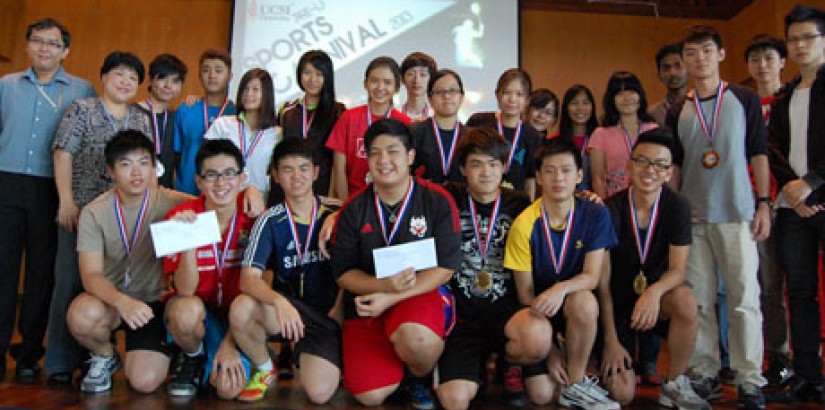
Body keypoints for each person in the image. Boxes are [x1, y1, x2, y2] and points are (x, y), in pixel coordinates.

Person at [666, 24, 771, 410]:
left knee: (745, 298)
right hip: (693, 219)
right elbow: (674, 166)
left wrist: (763, 202)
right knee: (700, 301)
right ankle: (705, 371)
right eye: (691, 54)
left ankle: (749, 379)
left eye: (707, 51)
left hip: (738, 213)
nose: (699, 59)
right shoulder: (680, 109)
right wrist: (674, 213)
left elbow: (758, 152)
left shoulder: (743, 98)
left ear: (721, 55)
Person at [329, 118, 461, 409]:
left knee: (417, 341)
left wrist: (392, 296)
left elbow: (446, 266)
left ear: (410, 156)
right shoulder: (354, 208)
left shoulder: (437, 200)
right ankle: (398, 367)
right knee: (370, 395)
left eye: (393, 151)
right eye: (375, 152)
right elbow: (343, 272)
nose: (383, 160)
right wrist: (381, 287)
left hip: (419, 295)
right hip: (368, 302)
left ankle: (420, 376)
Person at [48, 50, 152, 386]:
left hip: (126, 219)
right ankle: (62, 362)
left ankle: (101, 353)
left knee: (112, 285)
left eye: (133, 78)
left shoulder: (141, 117)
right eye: (118, 74)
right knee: (70, 283)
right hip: (81, 214)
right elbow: (63, 152)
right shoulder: (83, 109)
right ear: (104, 77)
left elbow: (150, 167)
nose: (125, 82)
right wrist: (66, 200)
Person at [0, 17, 94, 382]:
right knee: (3, 272)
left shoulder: (81, 90)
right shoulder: (6, 86)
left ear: (65, 50)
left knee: (41, 273)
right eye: (38, 41)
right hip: (6, 182)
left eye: (53, 43)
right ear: (27, 46)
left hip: (52, 188)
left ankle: (28, 354)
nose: (44, 48)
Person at [66, 131, 192, 393]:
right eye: (126, 164)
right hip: (112, 301)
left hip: (153, 302)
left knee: (144, 383)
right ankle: (105, 356)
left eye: (144, 163)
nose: (137, 172)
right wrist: (122, 302)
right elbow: (91, 276)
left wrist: (250, 191)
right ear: (111, 171)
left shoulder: (172, 202)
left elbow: (220, 202)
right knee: (80, 315)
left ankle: (166, 347)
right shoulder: (94, 212)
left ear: (153, 168)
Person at [504, 138, 619, 410]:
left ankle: (576, 384)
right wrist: (550, 354)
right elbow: (525, 294)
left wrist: (561, 289)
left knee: (584, 300)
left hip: (573, 306)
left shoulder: (595, 214)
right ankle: (555, 354)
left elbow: (592, 276)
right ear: (539, 177)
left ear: (580, 175)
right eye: (550, 170)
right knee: (542, 395)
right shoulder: (524, 224)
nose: (559, 178)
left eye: (567, 170)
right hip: (537, 311)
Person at [436, 128, 547, 410]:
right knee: (454, 400)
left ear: (505, 167)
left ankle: (508, 363)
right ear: (462, 168)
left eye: (493, 164)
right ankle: (477, 371)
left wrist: (589, 200)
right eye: (476, 164)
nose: (485, 172)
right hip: (463, 320)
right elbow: (403, 194)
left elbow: (564, 209)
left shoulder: (521, 203)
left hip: (507, 314)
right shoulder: (448, 197)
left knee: (544, 392)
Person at [598, 128, 709, 410]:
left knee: (685, 300)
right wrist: (611, 339)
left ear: (669, 172)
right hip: (618, 303)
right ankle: (607, 358)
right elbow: (602, 281)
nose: (650, 171)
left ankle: (674, 383)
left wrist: (653, 293)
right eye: (643, 161)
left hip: (656, 301)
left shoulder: (678, 207)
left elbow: (678, 270)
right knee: (622, 395)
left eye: (660, 165)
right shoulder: (610, 209)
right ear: (629, 164)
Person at [230, 138, 341, 403]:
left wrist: (339, 213)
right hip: (285, 312)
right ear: (276, 176)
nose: (297, 176)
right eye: (287, 169)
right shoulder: (269, 220)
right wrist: (279, 302)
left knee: (319, 394)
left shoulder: (337, 212)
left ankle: (311, 355)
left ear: (315, 172)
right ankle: (266, 367)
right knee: (242, 307)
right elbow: (248, 279)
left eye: (303, 168)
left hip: (327, 317)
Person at [162, 140, 256, 398]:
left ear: (241, 178)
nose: (221, 183)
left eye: (228, 174)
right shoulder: (180, 216)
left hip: (239, 317)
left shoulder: (255, 218)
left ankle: (245, 350)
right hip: (196, 311)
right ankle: (191, 355)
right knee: (185, 310)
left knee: (228, 390)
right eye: (211, 175)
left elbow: (262, 287)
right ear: (199, 182)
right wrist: (188, 240)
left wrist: (230, 343)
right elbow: (184, 289)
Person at [766, 4, 825, 404]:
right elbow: (772, 148)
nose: (801, 45)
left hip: (819, 197)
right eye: (794, 39)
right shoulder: (785, 95)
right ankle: (808, 373)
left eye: (809, 37)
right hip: (794, 209)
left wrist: (813, 183)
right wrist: (792, 187)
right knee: (799, 292)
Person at [744, 33, 792, 388]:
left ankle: (801, 359)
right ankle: (776, 355)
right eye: (756, 60)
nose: (762, 66)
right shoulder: (744, 103)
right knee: (767, 286)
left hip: (797, 202)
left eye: (769, 58)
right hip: (756, 206)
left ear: (782, 62)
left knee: (801, 285)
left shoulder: (792, 99)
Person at [327, 56, 412, 200]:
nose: (380, 87)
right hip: (352, 199)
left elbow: (406, 171)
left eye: (387, 82)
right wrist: (346, 205)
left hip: (390, 202)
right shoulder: (348, 118)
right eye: (374, 81)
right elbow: (339, 170)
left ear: (397, 88)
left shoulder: (405, 123)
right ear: (365, 83)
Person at [276, 50, 345, 202]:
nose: (312, 79)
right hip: (291, 186)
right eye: (307, 73)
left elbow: (337, 161)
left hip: (323, 188)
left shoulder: (339, 112)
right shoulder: (286, 111)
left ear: (327, 77)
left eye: (319, 74)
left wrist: (333, 195)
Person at [205, 68, 280, 201]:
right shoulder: (222, 125)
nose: (249, 94)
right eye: (245, 89)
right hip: (224, 196)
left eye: (255, 89)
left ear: (266, 94)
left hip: (260, 200)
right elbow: (207, 164)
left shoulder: (277, 134)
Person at [467, 69, 541, 198]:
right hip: (480, 199)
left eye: (519, 94)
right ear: (497, 94)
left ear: (528, 99)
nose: (512, 99)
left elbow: (530, 179)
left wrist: (528, 206)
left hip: (514, 202)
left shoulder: (532, 135)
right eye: (506, 93)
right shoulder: (479, 122)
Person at [589, 71, 659, 199]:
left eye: (632, 92)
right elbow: (597, 178)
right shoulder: (600, 134)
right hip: (615, 202)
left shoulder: (653, 130)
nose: (627, 98)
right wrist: (607, 208)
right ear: (612, 100)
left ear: (640, 95)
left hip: (649, 201)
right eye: (620, 94)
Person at [174, 49, 235, 195]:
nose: (212, 75)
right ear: (199, 75)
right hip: (186, 192)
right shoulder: (185, 109)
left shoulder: (237, 113)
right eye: (206, 70)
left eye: (218, 70)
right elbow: (176, 153)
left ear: (230, 76)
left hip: (223, 193)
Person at [136, 53, 187, 188]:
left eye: (175, 81)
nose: (168, 85)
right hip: (136, 190)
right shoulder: (132, 113)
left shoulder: (176, 117)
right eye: (163, 78)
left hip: (165, 193)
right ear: (151, 80)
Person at [411, 69, 467, 183]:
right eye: (440, 91)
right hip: (423, 198)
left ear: (461, 97)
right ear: (430, 99)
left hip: (461, 199)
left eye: (452, 90)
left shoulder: (471, 136)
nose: (447, 96)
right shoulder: (415, 132)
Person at [552, 85, 599, 191]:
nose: (580, 108)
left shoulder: (600, 139)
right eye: (574, 103)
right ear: (566, 107)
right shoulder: (554, 141)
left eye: (586, 103)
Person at [648, 44, 689, 127]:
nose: (672, 73)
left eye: (678, 66)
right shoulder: (652, 113)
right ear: (659, 75)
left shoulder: (702, 106)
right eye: (666, 68)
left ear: (689, 69)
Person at [400, 52, 437, 121]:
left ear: (432, 80)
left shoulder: (437, 116)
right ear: (402, 79)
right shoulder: (394, 115)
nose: (417, 80)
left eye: (423, 74)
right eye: (410, 74)